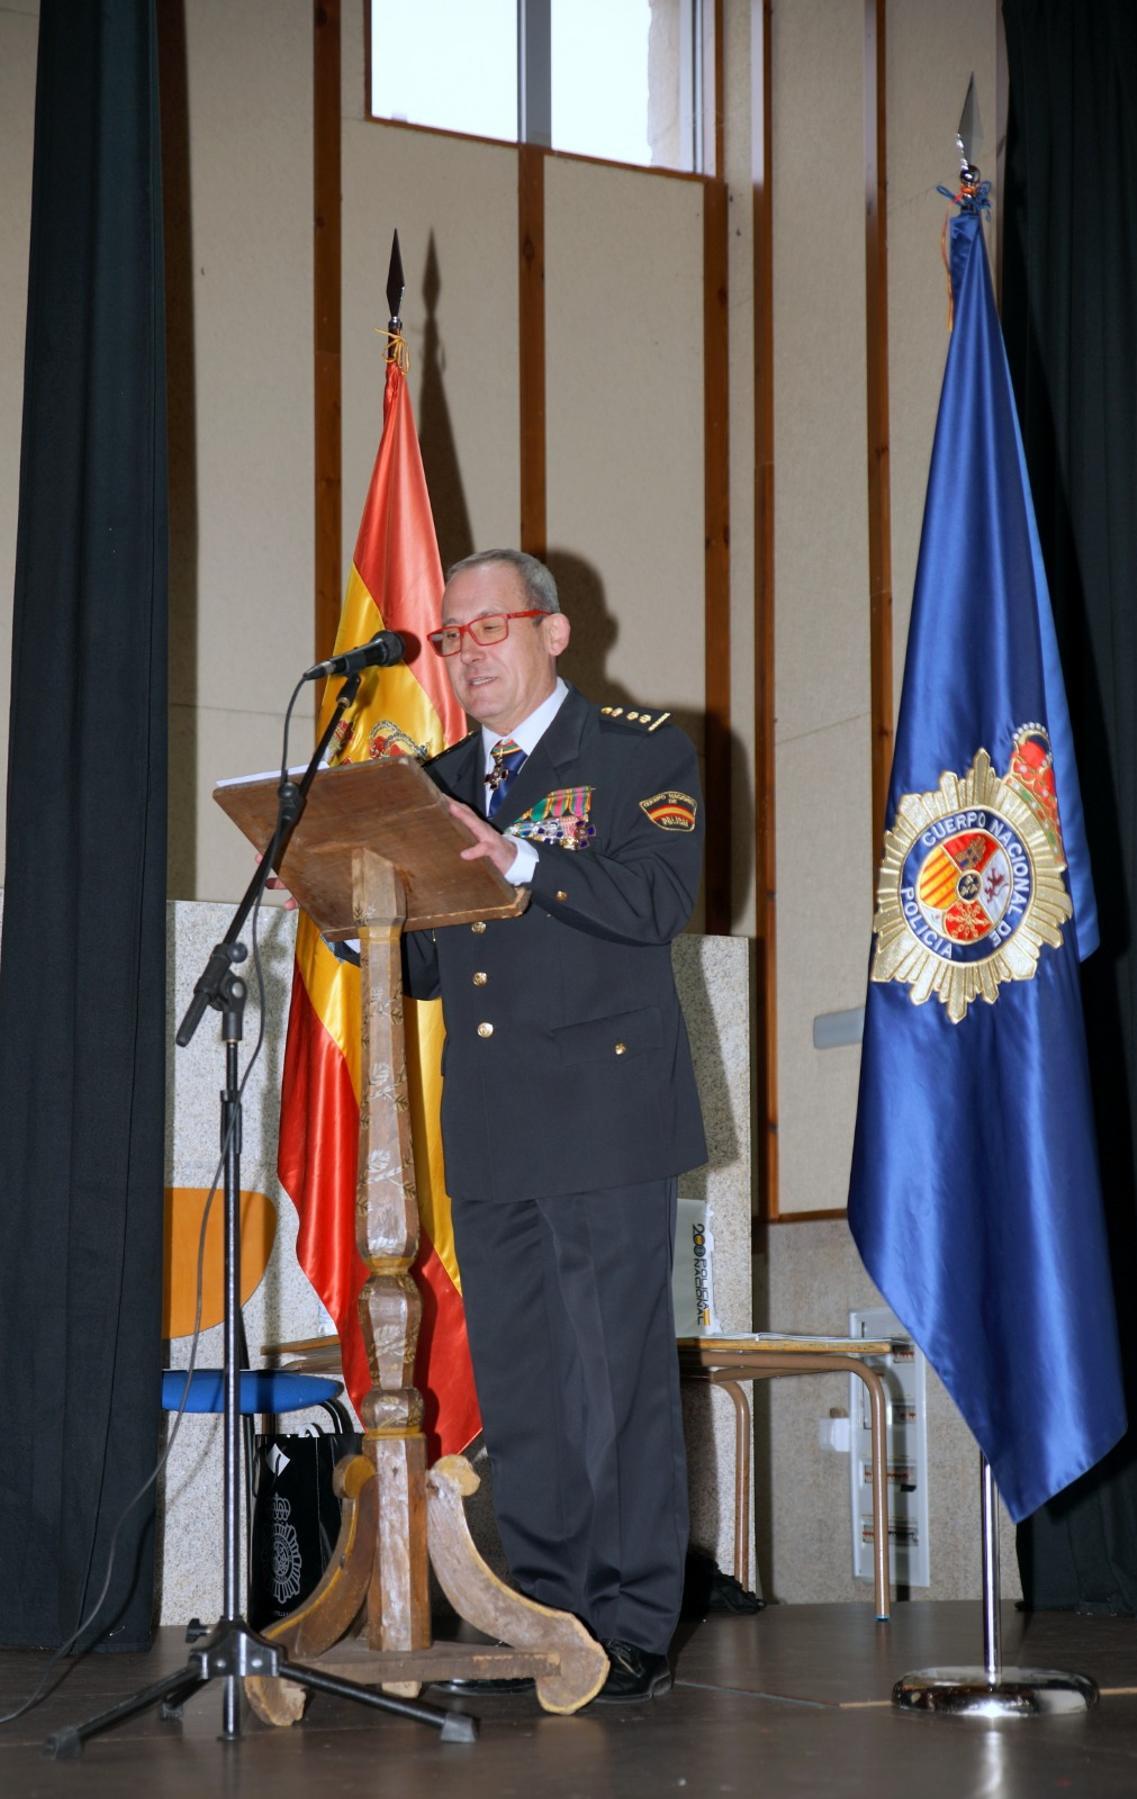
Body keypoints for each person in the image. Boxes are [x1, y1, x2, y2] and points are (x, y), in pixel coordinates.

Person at [405, 548, 708, 1704]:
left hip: (602, 1117)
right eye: (451, 636)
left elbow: (659, 897)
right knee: (525, 1386)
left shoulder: (638, 751)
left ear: (555, 631)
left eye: (489, 627)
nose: (467, 653)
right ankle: (538, 1613)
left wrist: (524, 857)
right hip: (489, 1121)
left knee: (611, 1383)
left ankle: (628, 1624)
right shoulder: (437, 779)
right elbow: (426, 963)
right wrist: (347, 903)